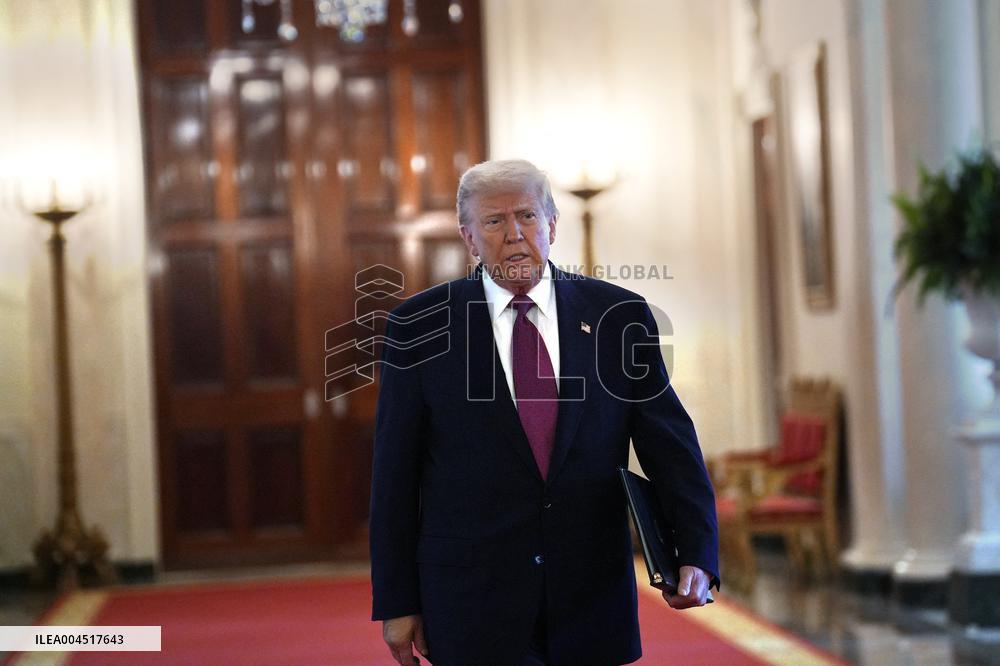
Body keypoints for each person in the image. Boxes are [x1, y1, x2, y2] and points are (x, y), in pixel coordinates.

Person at [370, 159, 719, 666]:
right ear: (468, 237)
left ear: (553, 225)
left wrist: (697, 552)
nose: (514, 234)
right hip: (472, 602)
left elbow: (671, 445)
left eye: (527, 216)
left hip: (591, 597)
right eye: (493, 221)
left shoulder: (617, 316)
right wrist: (398, 601)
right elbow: (394, 478)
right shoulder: (418, 326)